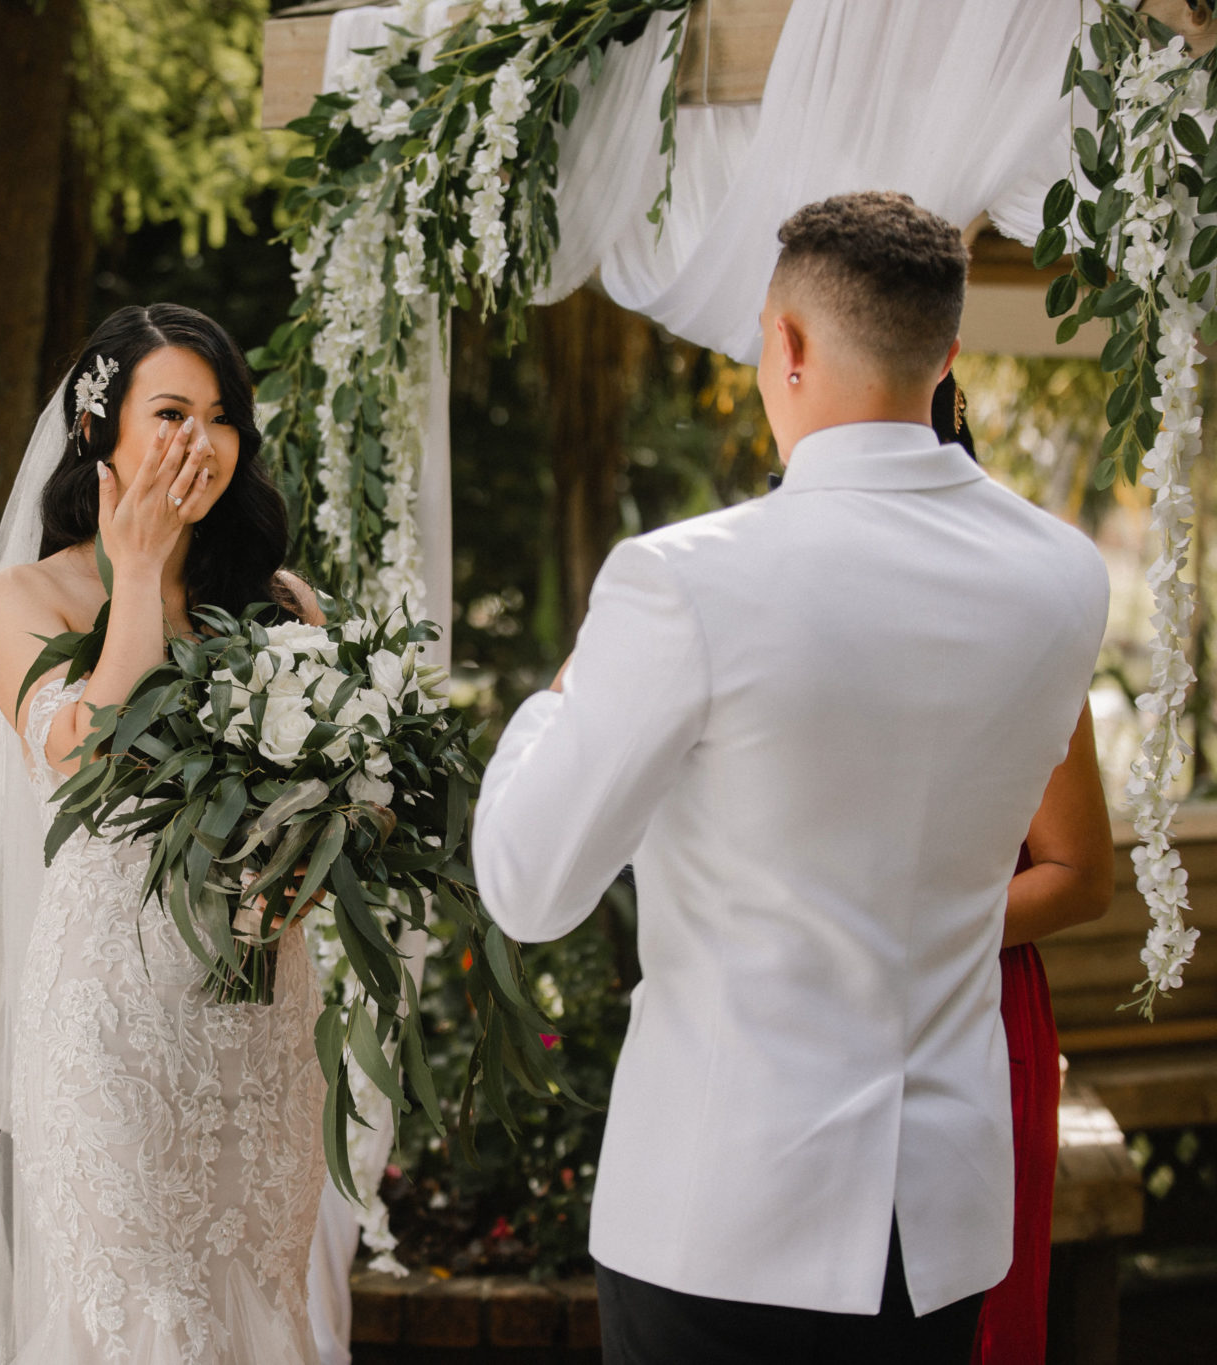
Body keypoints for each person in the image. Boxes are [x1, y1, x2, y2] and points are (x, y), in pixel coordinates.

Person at [472, 191, 1110, 1364]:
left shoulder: (682, 582)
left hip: (724, 1218)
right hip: (942, 1229)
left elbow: (527, 888)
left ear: (787, 345)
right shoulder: (1063, 578)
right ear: (945, 355)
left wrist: (555, 698)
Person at [0, 303, 326, 1364]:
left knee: (253, 1286)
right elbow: (86, 759)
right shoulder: (20, 595)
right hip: (111, 1010)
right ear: (97, 432)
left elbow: (335, 798)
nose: (200, 438)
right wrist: (136, 574)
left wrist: (305, 876)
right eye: (170, 412)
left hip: (256, 1006)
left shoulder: (284, 604)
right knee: (133, 1307)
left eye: (222, 414)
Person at [926, 376, 1117, 1365]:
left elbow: (1078, 873)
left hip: (973, 1007)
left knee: (981, 1328)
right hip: (807, 1027)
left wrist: (912, 933)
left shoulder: (1019, 623)